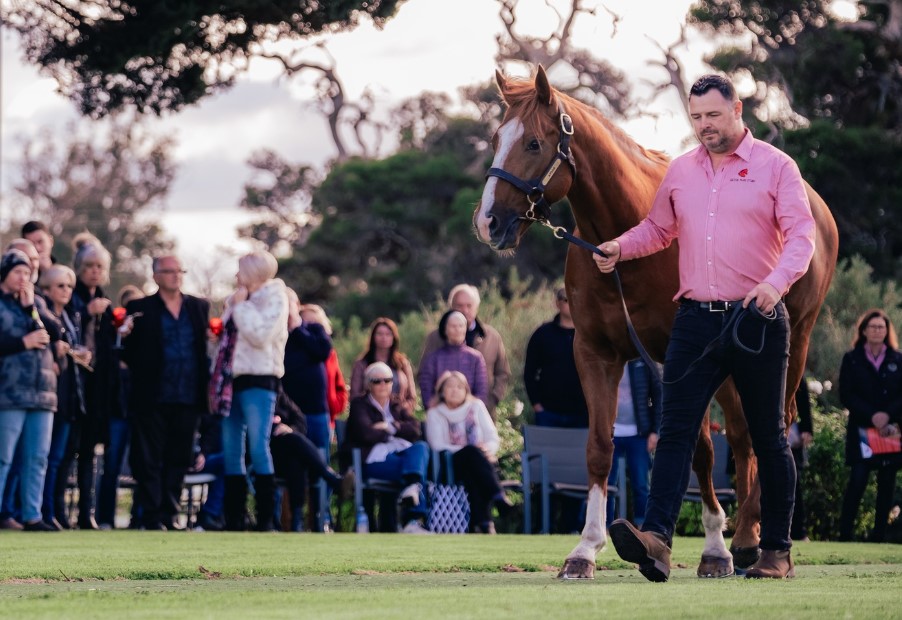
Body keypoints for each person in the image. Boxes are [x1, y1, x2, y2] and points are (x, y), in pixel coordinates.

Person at [594, 74, 816, 580]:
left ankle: (776, 551)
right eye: (695, 118)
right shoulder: (681, 171)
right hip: (693, 320)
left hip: (757, 319)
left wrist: (776, 284)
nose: (703, 127)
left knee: (768, 437)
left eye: (713, 116)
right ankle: (656, 541)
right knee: (674, 432)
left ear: (737, 109)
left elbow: (802, 237)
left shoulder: (777, 167)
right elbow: (658, 228)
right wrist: (620, 247)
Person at [121, 255, 210, 530]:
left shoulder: (199, 306)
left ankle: (170, 515)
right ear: (156, 276)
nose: (175, 275)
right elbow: (128, 352)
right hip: (152, 396)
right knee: (149, 459)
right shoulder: (140, 307)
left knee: (179, 458)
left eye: (179, 271)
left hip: (188, 395)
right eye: (169, 271)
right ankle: (151, 515)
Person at [219, 250, 288, 532]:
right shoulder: (237, 299)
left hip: (260, 379)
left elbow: (260, 336)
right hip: (231, 380)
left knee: (258, 447)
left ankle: (265, 519)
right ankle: (234, 519)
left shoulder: (276, 298)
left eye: (240, 270)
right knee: (231, 449)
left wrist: (240, 307)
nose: (236, 275)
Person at [0, 249, 57, 531]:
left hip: (42, 392)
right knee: (3, 457)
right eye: (17, 272)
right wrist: (22, 342)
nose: (23, 278)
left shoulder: (34, 304)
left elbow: (52, 333)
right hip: (8, 392)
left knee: (37, 457)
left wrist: (30, 308)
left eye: (27, 273)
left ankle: (32, 515)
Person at [68, 233, 122, 530]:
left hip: (99, 388)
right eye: (89, 265)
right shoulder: (73, 298)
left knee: (90, 450)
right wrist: (87, 314)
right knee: (66, 450)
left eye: (100, 266)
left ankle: (86, 513)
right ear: (79, 267)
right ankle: (59, 511)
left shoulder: (106, 302)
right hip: (74, 385)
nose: (94, 271)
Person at [837, 309, 902, 542]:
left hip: (890, 432)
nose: (877, 330)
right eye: (873, 327)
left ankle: (879, 536)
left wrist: (888, 415)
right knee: (857, 480)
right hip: (861, 430)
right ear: (864, 330)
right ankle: (844, 535)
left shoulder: (898, 358)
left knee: (886, 484)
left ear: (887, 331)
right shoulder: (852, 359)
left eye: (881, 327)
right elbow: (846, 394)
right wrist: (872, 415)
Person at [346, 362, 430, 534]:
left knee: (421, 447)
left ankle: (411, 492)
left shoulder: (396, 405)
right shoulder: (359, 405)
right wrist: (396, 431)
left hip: (401, 456)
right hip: (373, 461)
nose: (383, 384)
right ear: (369, 384)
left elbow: (415, 429)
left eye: (387, 380)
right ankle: (412, 520)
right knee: (415, 471)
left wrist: (388, 427)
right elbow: (365, 434)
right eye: (377, 381)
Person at [425, 370, 511, 534]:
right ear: (442, 391)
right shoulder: (435, 413)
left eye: (459, 387)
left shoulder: (476, 406)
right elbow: (437, 445)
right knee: (472, 454)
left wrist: (487, 449)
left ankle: (482, 523)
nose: (455, 390)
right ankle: (498, 497)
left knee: (474, 472)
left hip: (478, 463)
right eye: (450, 386)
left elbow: (492, 437)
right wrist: (470, 450)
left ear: (466, 390)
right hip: (449, 464)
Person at [39, 265, 89, 530]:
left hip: (70, 397)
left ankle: (55, 510)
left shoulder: (71, 318)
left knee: (61, 458)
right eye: (60, 286)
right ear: (46, 289)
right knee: (46, 458)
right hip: (48, 396)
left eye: (69, 286)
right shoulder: (41, 317)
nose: (66, 291)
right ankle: (44, 511)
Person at [420, 284, 511, 418]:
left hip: (482, 414)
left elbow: (503, 373)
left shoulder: (492, 336)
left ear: (477, 307)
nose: (464, 310)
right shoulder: (435, 337)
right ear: (451, 307)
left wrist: (491, 400)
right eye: (459, 305)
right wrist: (431, 405)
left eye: (469, 305)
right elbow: (424, 374)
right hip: (443, 415)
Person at [270, 387, 344, 532]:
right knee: (295, 442)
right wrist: (276, 429)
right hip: (269, 455)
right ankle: (331, 477)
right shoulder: (253, 396)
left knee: (296, 459)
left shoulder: (280, 395)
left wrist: (289, 429)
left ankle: (296, 521)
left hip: (288, 454)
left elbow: (300, 420)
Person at [605, 359, 662, 528]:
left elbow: (659, 394)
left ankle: (643, 528)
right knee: (606, 484)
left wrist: (655, 431)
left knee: (641, 484)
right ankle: (605, 526)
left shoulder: (644, 360)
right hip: (611, 433)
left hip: (639, 434)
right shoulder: (608, 358)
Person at [524, 287, 589, 428]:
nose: (572, 304)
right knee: (546, 451)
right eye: (567, 300)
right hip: (548, 413)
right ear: (557, 303)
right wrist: (537, 405)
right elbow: (529, 372)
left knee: (579, 451)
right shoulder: (542, 334)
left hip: (583, 414)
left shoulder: (589, 335)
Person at [419, 310, 488, 409]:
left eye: (461, 326)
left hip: (469, 413)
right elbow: (427, 393)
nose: (457, 330)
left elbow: (481, 393)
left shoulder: (476, 358)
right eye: (453, 326)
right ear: (445, 329)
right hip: (440, 413)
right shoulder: (433, 359)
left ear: (465, 329)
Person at [350, 317, 418, 414]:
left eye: (388, 334)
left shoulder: (402, 363)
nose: (384, 338)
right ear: (373, 337)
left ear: (394, 337)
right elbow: (355, 396)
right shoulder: (361, 364)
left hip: (398, 416)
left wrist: (401, 411)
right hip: (369, 416)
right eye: (380, 334)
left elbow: (412, 397)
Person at [790, 380, 814, 542]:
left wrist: (807, 428)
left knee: (794, 482)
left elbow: (801, 390)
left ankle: (799, 531)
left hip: (791, 430)